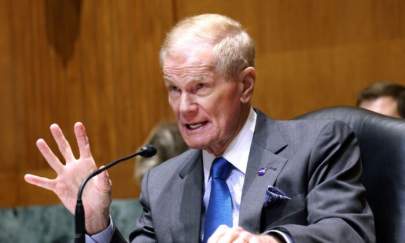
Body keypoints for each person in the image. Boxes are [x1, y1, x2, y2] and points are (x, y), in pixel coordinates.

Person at [24, 14, 375, 243]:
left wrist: (270, 241)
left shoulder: (317, 144)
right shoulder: (162, 183)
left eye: (200, 88)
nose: (184, 107)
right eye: (174, 90)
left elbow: (351, 231)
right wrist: (97, 222)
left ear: (245, 86)